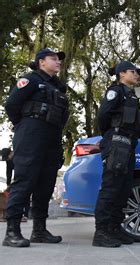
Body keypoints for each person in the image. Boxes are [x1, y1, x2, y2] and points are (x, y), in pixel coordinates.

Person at [2, 48, 69, 248]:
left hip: (52, 135)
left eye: (59, 59)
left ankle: (39, 230)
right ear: (41, 62)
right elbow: (11, 105)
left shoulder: (59, 87)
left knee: (46, 183)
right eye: (53, 58)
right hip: (31, 133)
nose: (58, 62)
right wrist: (23, 125)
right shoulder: (30, 80)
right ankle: (12, 232)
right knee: (25, 180)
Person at [93, 61, 140, 247]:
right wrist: (111, 135)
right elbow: (103, 116)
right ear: (121, 73)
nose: (136, 75)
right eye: (133, 72)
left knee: (124, 188)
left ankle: (114, 228)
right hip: (116, 143)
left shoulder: (133, 96)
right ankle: (101, 232)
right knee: (111, 187)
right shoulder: (115, 91)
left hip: (130, 144)